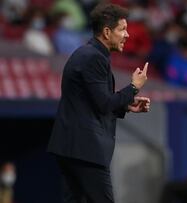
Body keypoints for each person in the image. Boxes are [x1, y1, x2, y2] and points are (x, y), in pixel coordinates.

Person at [47, 3, 150, 203]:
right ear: (106, 31)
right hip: (85, 149)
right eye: (122, 29)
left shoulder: (89, 54)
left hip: (73, 147)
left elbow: (93, 101)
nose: (127, 35)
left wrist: (126, 105)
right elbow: (103, 103)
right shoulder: (93, 58)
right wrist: (133, 88)